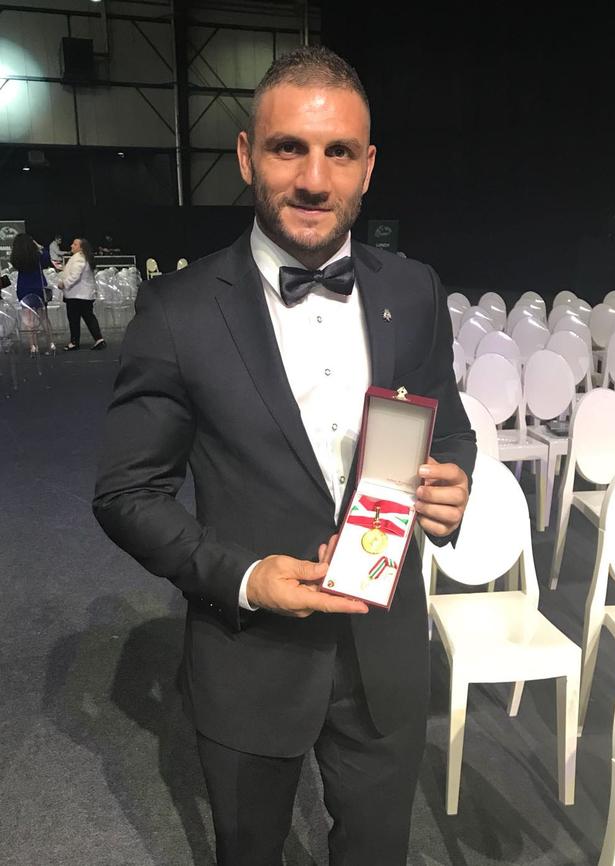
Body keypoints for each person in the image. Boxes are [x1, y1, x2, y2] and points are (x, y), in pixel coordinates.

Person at [93, 45, 476, 866]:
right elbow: (127, 491)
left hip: (386, 653)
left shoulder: (413, 291)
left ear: (367, 166)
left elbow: (444, 430)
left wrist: (453, 483)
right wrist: (241, 575)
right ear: (245, 155)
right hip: (249, 656)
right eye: (287, 148)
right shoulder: (177, 311)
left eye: (338, 151)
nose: (313, 179)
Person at [10, 232, 55, 354]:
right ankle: (51, 344)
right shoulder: (37, 255)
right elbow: (47, 260)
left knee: (28, 319)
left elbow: (14, 266)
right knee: (44, 317)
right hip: (39, 287)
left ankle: (33, 347)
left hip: (24, 288)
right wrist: (39, 246)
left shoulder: (17, 257)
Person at [58, 237, 106, 351]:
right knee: (88, 317)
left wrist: (64, 283)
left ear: (81, 247)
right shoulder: (83, 257)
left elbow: (75, 275)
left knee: (74, 319)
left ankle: (74, 342)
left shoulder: (79, 258)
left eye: (74, 244)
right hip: (83, 295)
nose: (71, 246)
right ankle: (99, 339)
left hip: (77, 295)